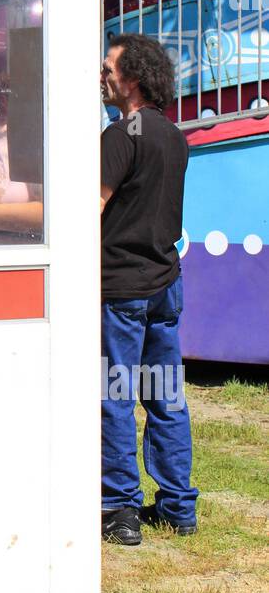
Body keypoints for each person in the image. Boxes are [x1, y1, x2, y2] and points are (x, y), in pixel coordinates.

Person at [100, 33, 198, 546]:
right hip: (165, 285)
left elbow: (91, 205)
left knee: (115, 397)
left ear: (132, 78)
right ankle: (178, 505)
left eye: (109, 68)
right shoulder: (172, 135)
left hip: (121, 290)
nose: (102, 76)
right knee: (165, 396)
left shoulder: (121, 136)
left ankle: (119, 510)